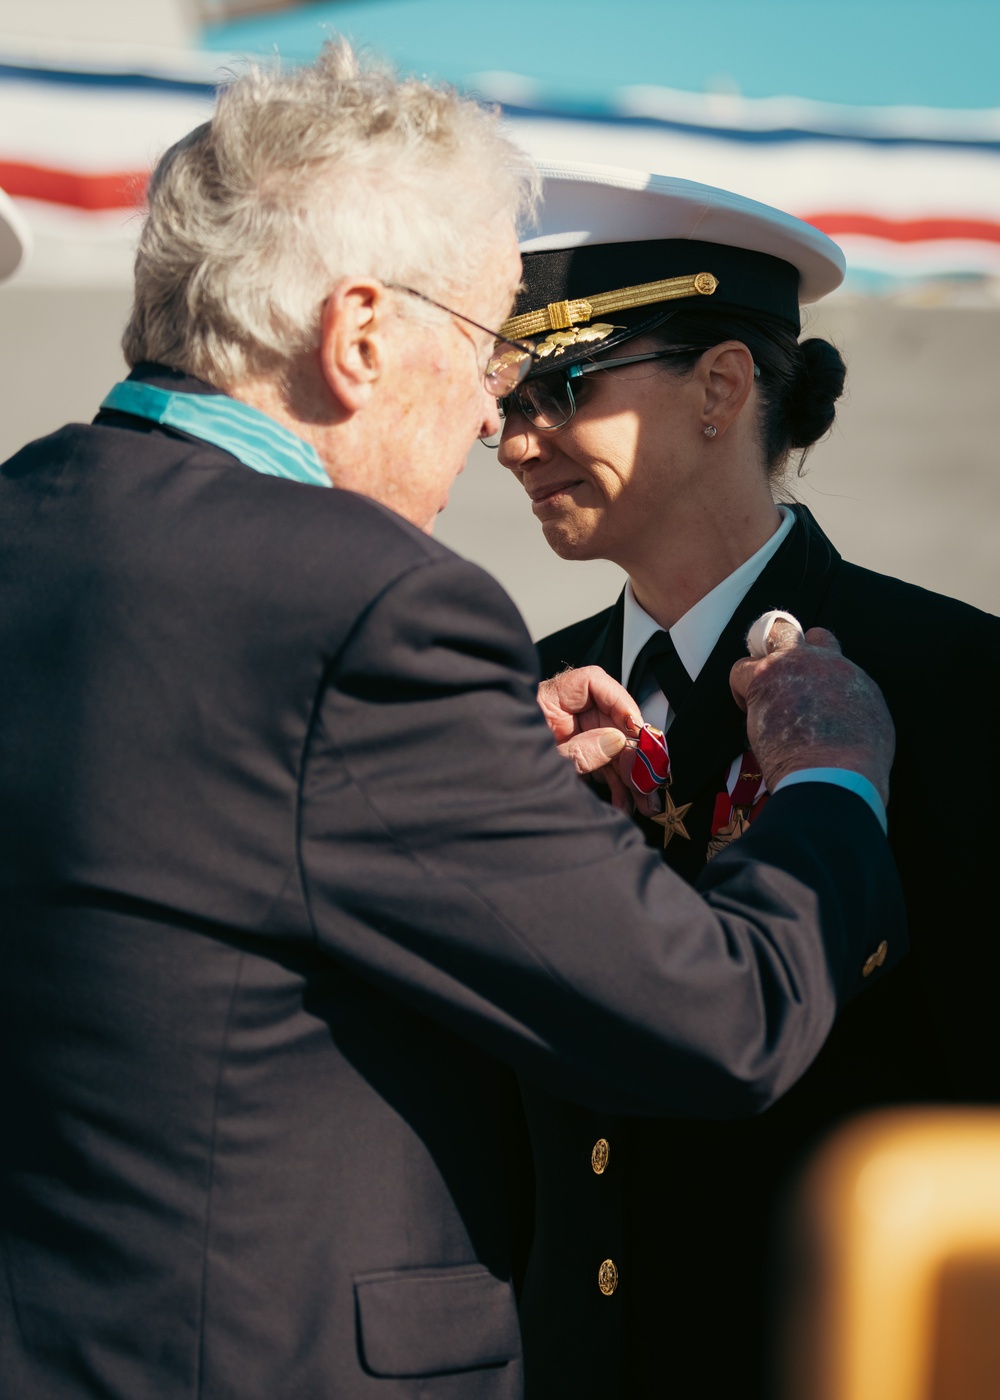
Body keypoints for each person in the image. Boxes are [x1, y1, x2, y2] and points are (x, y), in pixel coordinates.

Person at [0, 54, 904, 1400]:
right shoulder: (360, 608)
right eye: (488, 352)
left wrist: (452, 786)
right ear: (359, 337)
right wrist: (831, 774)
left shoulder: (35, 520)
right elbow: (727, 1014)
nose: (497, 414)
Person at [495, 160, 1000, 1398]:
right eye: (499, 396)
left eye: (560, 385)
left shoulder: (955, 674)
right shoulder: (512, 695)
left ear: (722, 385)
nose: (513, 441)